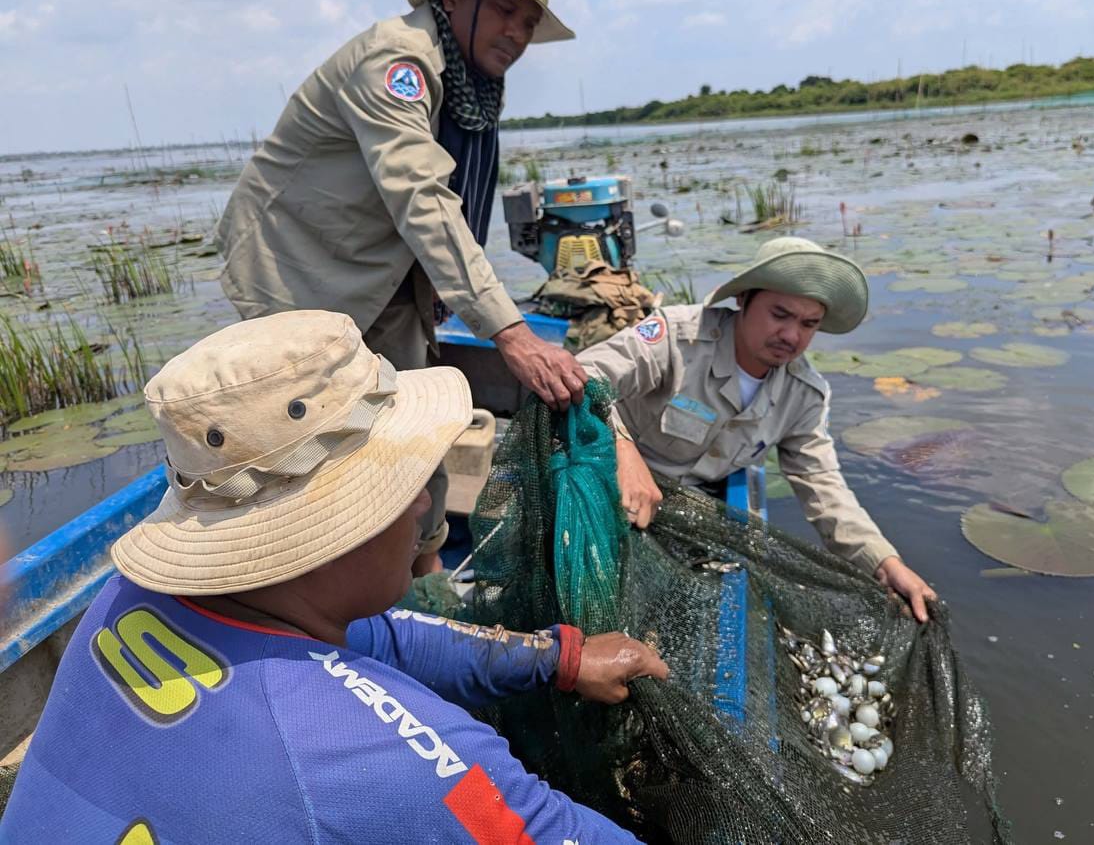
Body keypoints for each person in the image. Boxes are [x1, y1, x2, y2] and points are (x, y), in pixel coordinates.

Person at [0, 311, 665, 843]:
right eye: (400, 481)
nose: (423, 502)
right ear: (331, 533)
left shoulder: (135, 593)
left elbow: (386, 638)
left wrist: (557, 656)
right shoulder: (388, 762)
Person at [215, 0, 588, 572]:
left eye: (529, 22)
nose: (517, 34)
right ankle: (303, 576)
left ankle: (424, 569)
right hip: (297, 268)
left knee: (414, 433)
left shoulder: (473, 81)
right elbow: (421, 195)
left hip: (383, 269)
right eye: (505, 10)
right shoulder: (396, 63)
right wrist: (511, 333)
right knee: (307, 448)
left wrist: (446, 289)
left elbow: (447, 200)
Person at [576, 238, 937, 622]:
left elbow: (823, 485)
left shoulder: (804, 394)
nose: (792, 336)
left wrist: (884, 562)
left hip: (687, 506)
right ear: (743, 299)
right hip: (603, 478)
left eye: (809, 324)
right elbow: (581, 374)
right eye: (780, 314)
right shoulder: (677, 337)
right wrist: (621, 448)